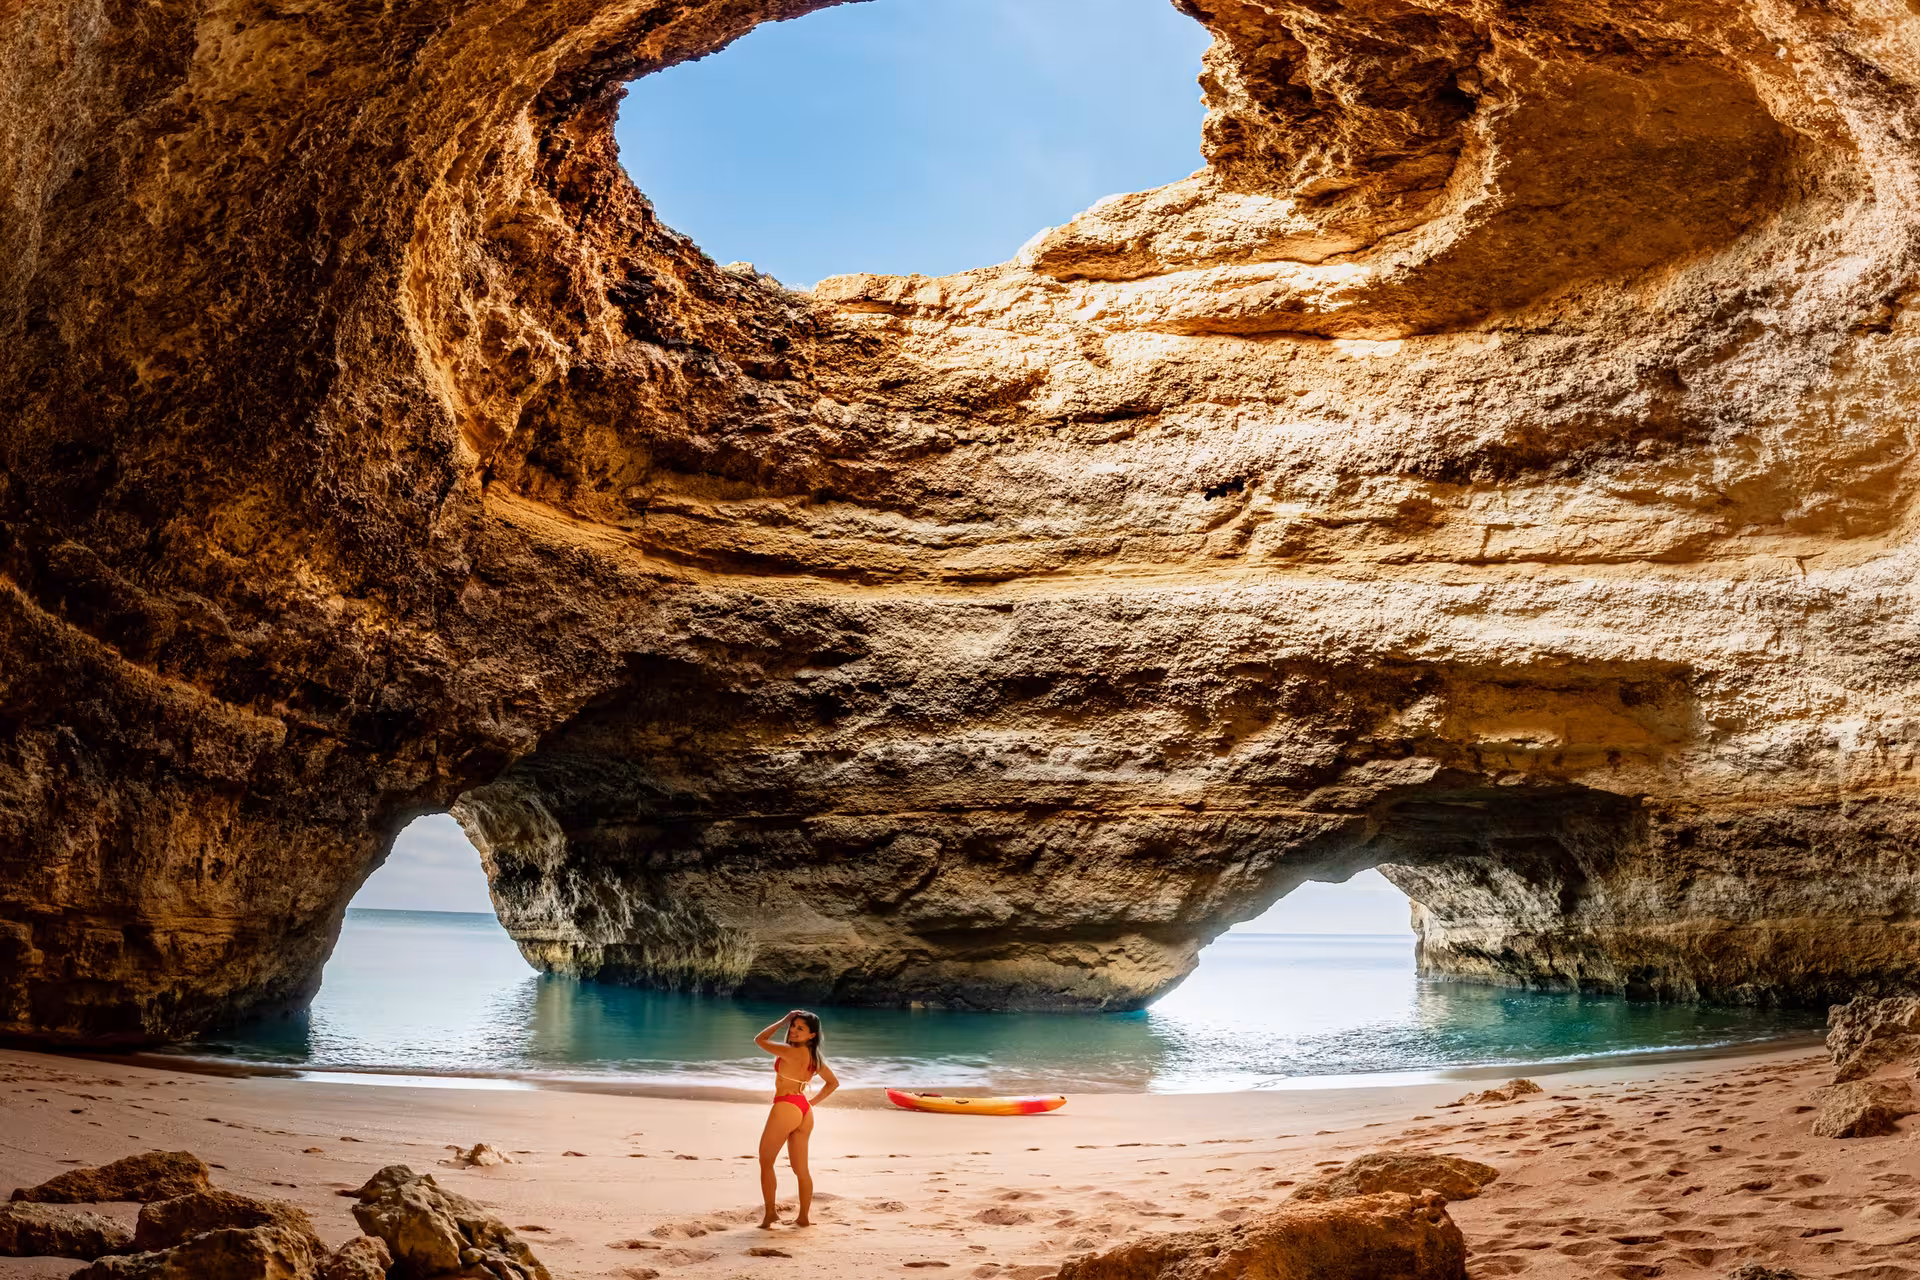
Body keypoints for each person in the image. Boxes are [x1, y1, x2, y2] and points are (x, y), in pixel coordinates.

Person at [754, 1009, 837, 1228]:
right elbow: (833, 1083)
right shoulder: (814, 1058)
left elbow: (759, 1039)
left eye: (800, 1028)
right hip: (803, 1110)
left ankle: (770, 1214)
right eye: (793, 1026)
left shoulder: (790, 1051)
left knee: (765, 1161)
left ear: (812, 1035)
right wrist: (811, 1103)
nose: (793, 1030)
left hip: (785, 1107)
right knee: (801, 1170)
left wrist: (782, 1020)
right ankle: (803, 1218)